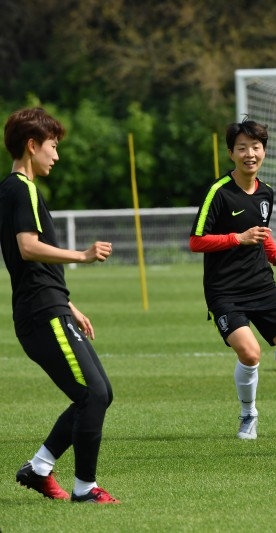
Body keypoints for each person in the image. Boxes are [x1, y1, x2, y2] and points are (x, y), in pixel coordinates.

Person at [2, 108, 119, 504]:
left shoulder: (15, 189)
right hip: (40, 313)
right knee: (93, 395)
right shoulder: (22, 188)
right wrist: (82, 256)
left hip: (50, 307)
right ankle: (84, 488)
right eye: (52, 146)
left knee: (99, 393)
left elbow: (31, 267)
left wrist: (68, 303)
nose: (56, 155)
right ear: (32, 146)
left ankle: (38, 469)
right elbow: (27, 247)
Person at [189, 118, 276, 440]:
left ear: (264, 151)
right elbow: (196, 241)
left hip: (261, 285)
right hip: (224, 291)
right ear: (231, 153)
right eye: (242, 148)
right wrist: (236, 238)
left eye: (255, 147)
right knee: (250, 353)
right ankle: (248, 416)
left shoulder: (266, 192)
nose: (249, 153)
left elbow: (263, 234)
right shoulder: (218, 192)